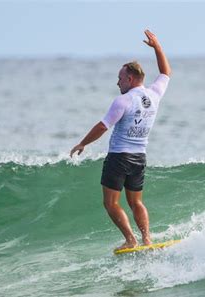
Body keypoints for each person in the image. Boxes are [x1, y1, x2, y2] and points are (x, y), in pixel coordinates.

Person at [70, 30, 171, 251]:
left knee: (111, 203)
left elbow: (102, 126)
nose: (118, 82)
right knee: (136, 202)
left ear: (130, 78)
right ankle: (146, 240)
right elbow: (165, 72)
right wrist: (157, 47)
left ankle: (131, 240)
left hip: (119, 158)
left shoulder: (123, 100)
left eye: (120, 78)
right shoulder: (154, 95)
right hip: (139, 157)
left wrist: (83, 143)